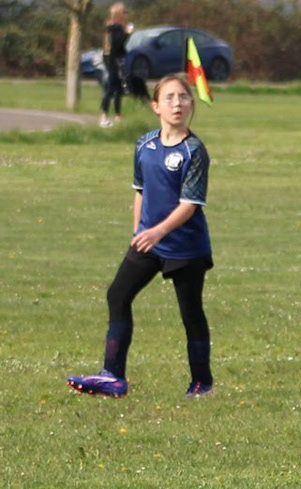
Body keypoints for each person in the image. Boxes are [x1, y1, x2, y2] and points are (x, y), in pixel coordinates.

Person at [67, 73, 215, 400]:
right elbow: (141, 190)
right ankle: (113, 376)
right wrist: (139, 231)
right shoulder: (144, 145)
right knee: (117, 295)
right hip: (148, 241)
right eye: (169, 98)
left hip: (186, 247)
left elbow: (190, 204)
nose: (177, 103)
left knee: (190, 312)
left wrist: (158, 231)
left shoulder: (194, 151)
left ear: (191, 105)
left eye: (183, 97)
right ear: (155, 106)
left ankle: (202, 383)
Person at [99, 2, 133, 128]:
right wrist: (128, 33)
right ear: (120, 15)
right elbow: (117, 44)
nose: (127, 15)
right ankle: (104, 113)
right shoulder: (115, 28)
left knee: (119, 87)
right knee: (111, 85)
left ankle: (117, 115)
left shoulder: (114, 27)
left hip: (115, 58)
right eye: (124, 12)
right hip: (112, 59)